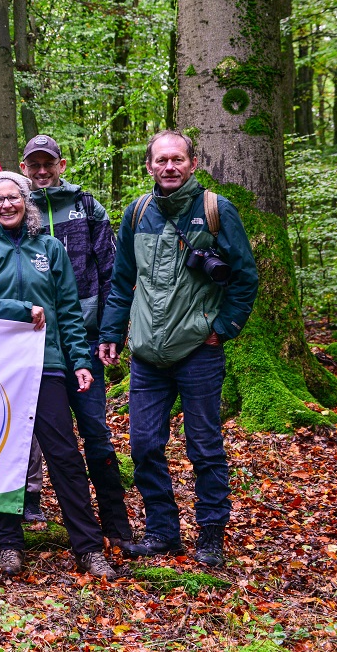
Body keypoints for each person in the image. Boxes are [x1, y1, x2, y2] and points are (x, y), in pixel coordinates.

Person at [99, 130, 258, 567]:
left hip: (198, 351)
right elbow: (121, 282)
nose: (169, 167)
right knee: (144, 446)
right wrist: (112, 334)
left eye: (177, 159)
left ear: (192, 163)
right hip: (148, 355)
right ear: (149, 166)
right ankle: (163, 531)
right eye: (161, 160)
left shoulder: (216, 211)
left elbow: (245, 279)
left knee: (204, 446)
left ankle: (211, 535)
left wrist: (222, 328)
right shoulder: (138, 213)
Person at [0, 172, 119, 579]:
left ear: (26, 202)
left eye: (14, 198)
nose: (6, 205)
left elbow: (68, 312)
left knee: (64, 455)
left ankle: (87, 547)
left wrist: (80, 360)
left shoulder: (49, 248)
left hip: (47, 364)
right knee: (1, 455)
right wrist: (21, 309)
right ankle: (8, 543)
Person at [18, 134, 134, 550]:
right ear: (25, 167)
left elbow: (113, 273)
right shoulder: (18, 211)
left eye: (49, 163)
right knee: (38, 435)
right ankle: (29, 519)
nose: (42, 170)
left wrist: (111, 332)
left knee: (95, 432)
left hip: (84, 340)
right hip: (32, 345)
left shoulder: (87, 207)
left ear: (61, 165)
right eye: (35, 164)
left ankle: (116, 524)